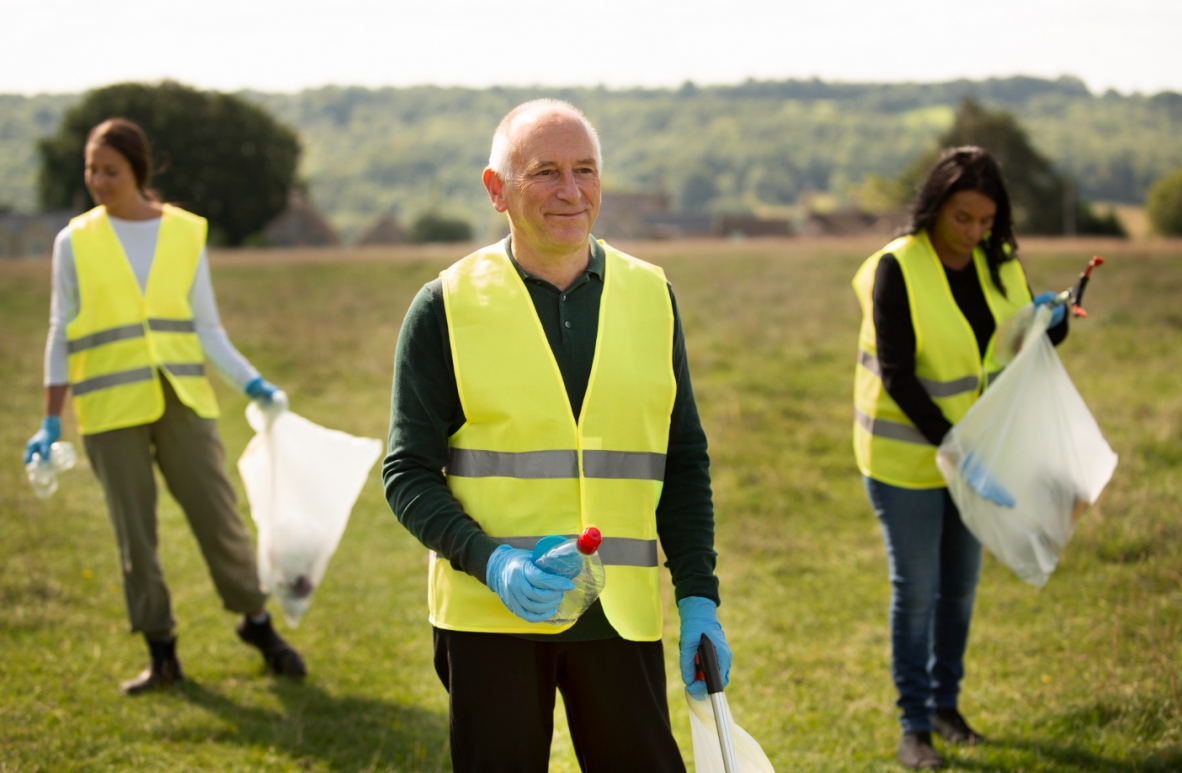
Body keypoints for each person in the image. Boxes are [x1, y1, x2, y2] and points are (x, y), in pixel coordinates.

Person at [383, 99, 729, 772]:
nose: (570, 191)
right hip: (491, 616)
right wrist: (494, 562)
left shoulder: (651, 294)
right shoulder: (444, 305)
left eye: (585, 170)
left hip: (621, 613)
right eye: (544, 171)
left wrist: (697, 597)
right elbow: (407, 474)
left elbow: (682, 457)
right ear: (497, 190)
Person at [23, 118, 306, 695]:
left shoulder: (183, 233)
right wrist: (51, 417)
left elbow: (206, 327)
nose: (98, 180)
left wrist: (254, 385)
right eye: (91, 169)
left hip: (183, 399)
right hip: (107, 408)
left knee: (218, 518)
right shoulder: (73, 240)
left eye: (110, 170)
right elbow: (60, 330)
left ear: (138, 172)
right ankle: (162, 652)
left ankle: (257, 624)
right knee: (136, 537)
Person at [852, 146, 1069, 769]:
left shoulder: (1001, 265)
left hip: (980, 456)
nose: (974, 233)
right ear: (935, 209)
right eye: (962, 219)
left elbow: (1022, 339)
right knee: (917, 589)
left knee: (961, 590)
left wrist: (1056, 318)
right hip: (907, 460)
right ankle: (914, 726)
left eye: (986, 221)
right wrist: (955, 448)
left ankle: (946, 706)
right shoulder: (898, 267)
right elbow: (897, 374)